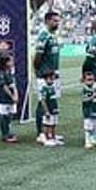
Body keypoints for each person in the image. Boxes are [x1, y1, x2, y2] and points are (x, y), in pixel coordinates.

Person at [34, 11, 63, 144]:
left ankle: (50, 133)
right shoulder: (44, 35)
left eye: (58, 21)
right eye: (54, 21)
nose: (57, 23)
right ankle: (41, 132)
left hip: (54, 74)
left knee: (52, 101)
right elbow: (38, 56)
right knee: (43, 101)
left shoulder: (53, 36)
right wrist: (39, 71)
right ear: (47, 21)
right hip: (45, 75)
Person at [0, 54, 18, 143]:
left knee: (10, 116)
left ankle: (8, 132)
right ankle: (4, 135)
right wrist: (12, 96)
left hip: (11, 98)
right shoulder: (1, 73)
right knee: (4, 116)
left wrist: (16, 95)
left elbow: (13, 84)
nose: (12, 63)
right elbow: (4, 87)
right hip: (4, 98)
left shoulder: (10, 72)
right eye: (10, 61)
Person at [38, 69, 62, 147]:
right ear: (46, 79)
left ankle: (53, 137)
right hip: (49, 110)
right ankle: (45, 137)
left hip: (54, 109)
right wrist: (46, 111)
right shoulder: (44, 89)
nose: (52, 80)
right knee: (47, 124)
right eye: (51, 79)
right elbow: (43, 101)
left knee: (53, 124)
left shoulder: (51, 87)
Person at [81, 69, 96, 149]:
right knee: (88, 126)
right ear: (84, 81)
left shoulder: (95, 89)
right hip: (88, 111)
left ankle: (95, 139)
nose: (91, 82)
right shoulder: (85, 90)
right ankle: (88, 141)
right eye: (88, 80)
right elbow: (84, 100)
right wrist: (92, 97)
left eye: (92, 80)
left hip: (95, 110)